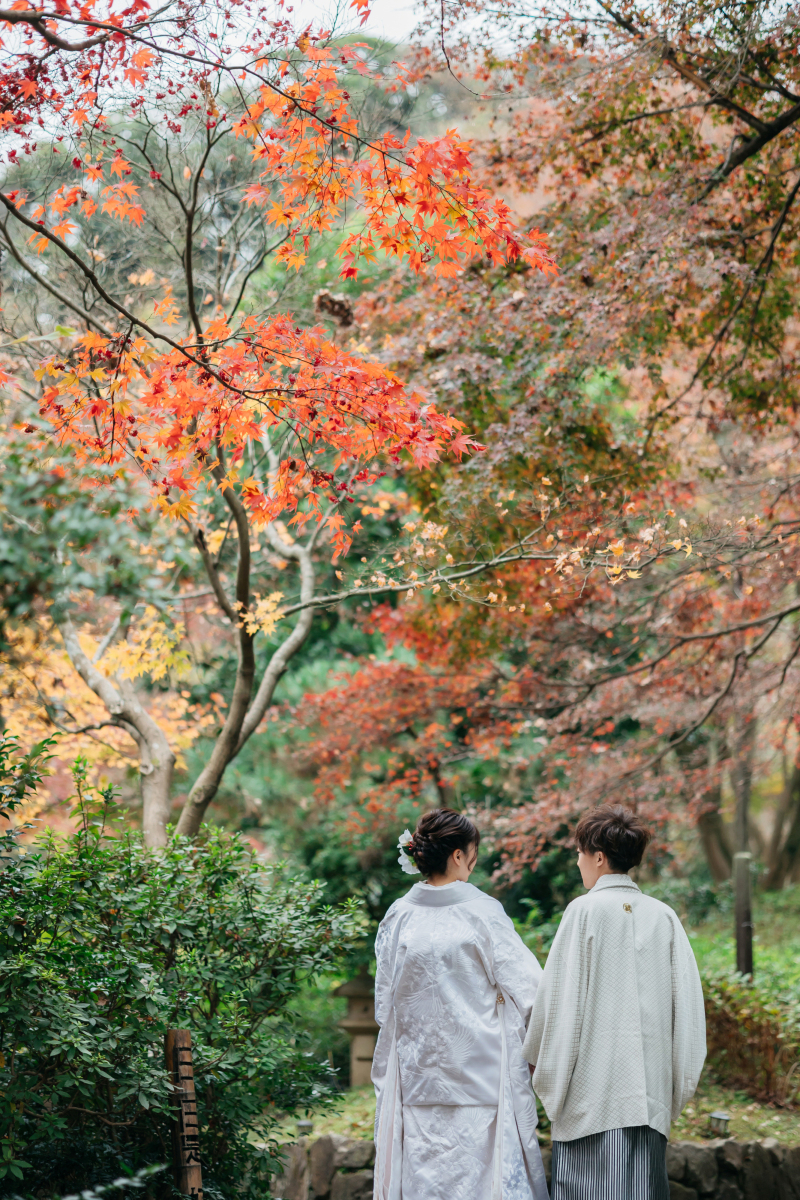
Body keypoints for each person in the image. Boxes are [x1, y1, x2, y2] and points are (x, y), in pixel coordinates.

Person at [523, 805, 707, 1200]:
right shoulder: (664, 917)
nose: (577, 861)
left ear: (599, 856)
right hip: (647, 1093)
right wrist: (678, 1081)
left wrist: (541, 1062)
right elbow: (689, 1010)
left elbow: (560, 999)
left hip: (591, 1088)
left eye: (579, 852)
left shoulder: (584, 911)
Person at [372, 807, 550, 1200]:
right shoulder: (483, 913)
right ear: (457, 855)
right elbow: (532, 993)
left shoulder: (398, 917)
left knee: (424, 1182)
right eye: (471, 852)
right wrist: (540, 1055)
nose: (473, 860)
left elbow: (384, 1005)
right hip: (481, 1078)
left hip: (417, 1082)